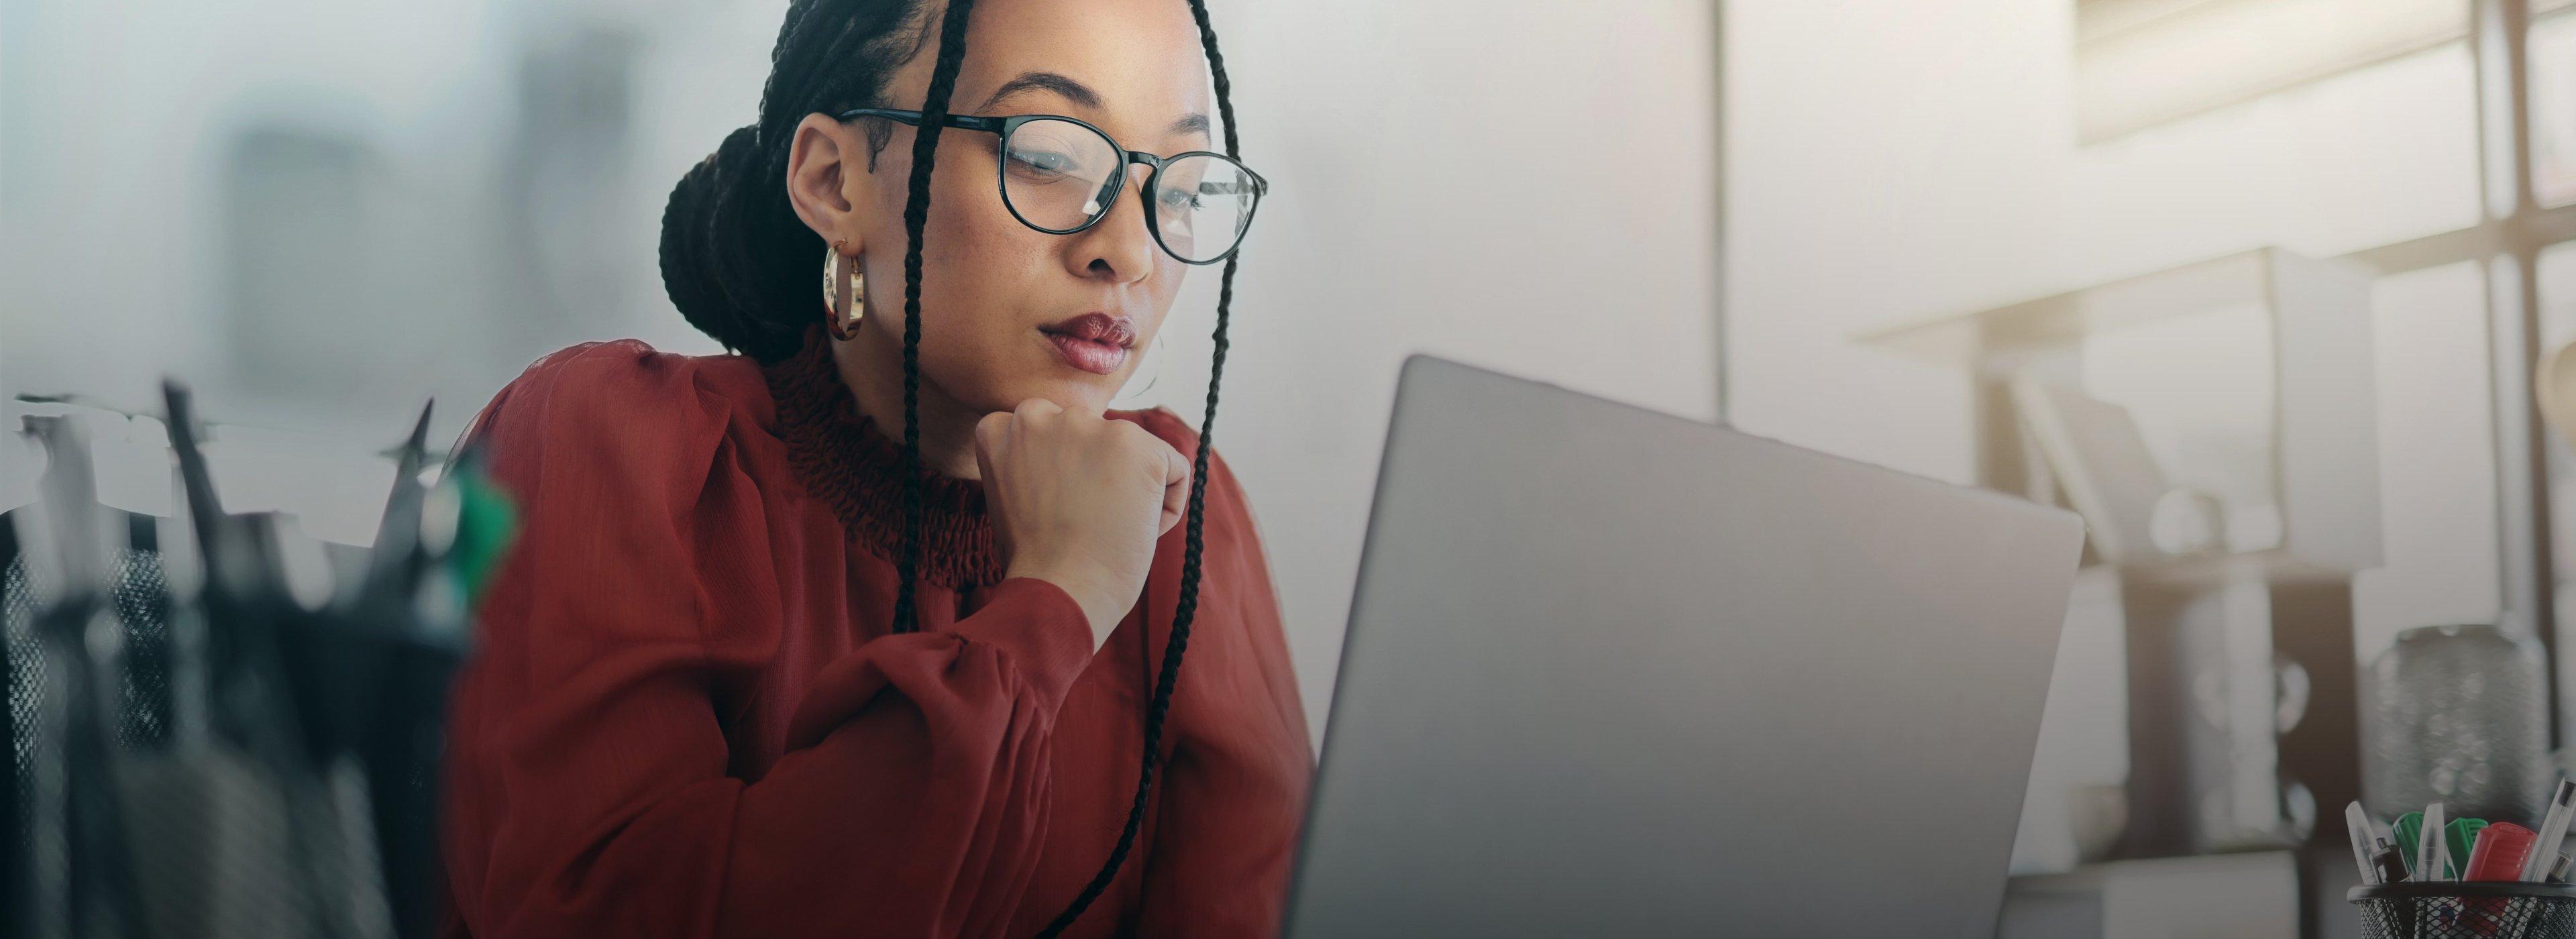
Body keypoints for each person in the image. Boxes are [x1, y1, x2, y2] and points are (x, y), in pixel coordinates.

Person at [435, 0, 1310, 934]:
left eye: (1174, 186)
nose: (1127, 253)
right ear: (834, 182)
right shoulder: (611, 447)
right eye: (1049, 157)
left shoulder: (1182, 523)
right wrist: (1057, 598)